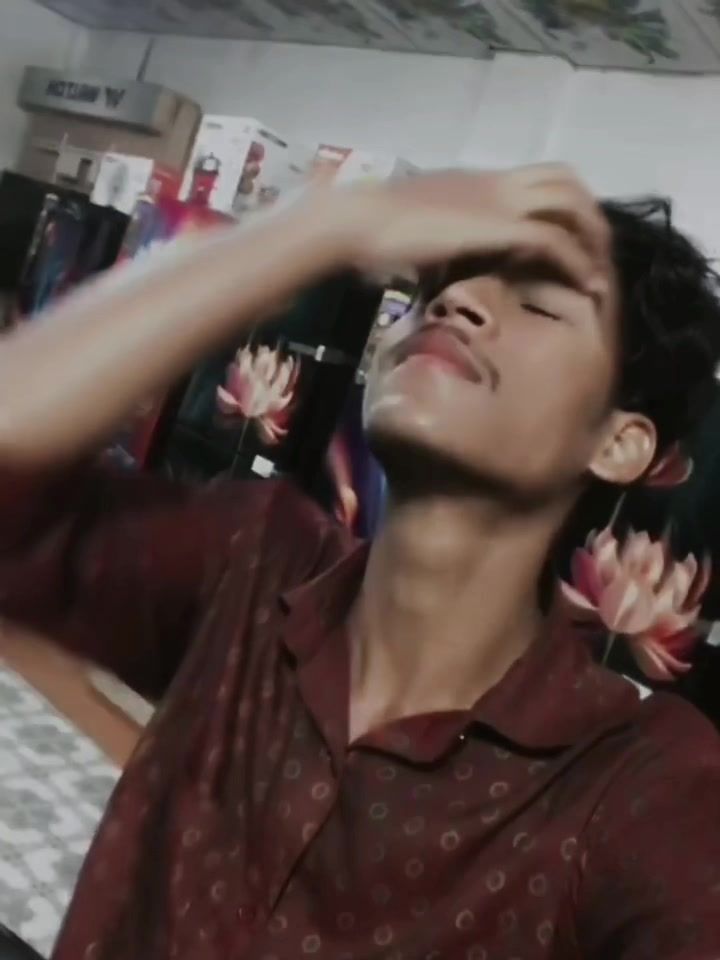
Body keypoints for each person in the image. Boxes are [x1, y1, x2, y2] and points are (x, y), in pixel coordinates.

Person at [0, 166, 718, 960]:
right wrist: (321, 228)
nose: (455, 301)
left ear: (619, 443)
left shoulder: (636, 785)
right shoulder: (256, 561)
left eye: (540, 304)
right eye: (435, 289)